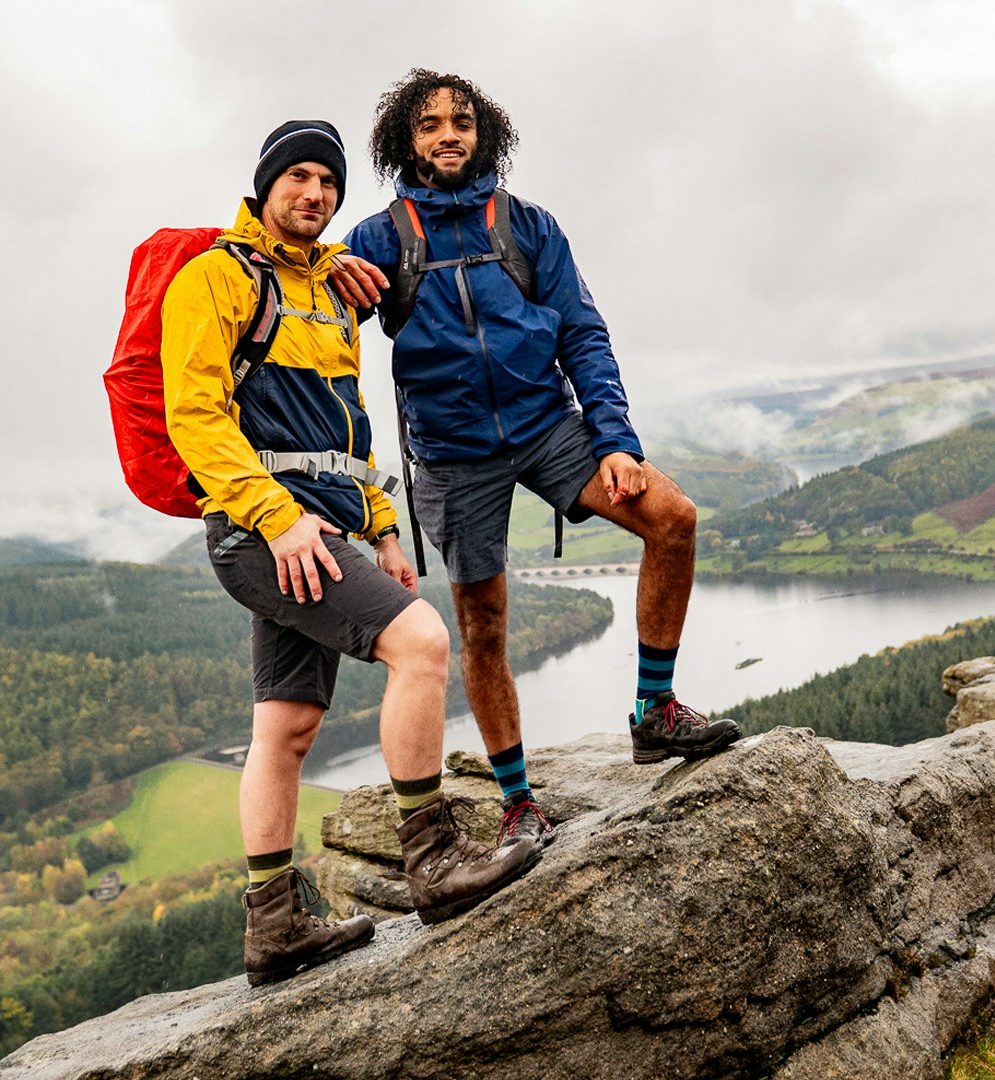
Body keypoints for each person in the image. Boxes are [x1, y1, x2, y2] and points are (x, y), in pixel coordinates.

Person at [161, 119, 539, 985]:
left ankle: (274, 929)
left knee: (287, 728)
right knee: (425, 645)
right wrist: (276, 518)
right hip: (267, 531)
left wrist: (381, 526)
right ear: (264, 187)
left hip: (325, 527)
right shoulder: (214, 281)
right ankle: (432, 863)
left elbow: (346, 432)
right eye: (297, 177)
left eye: (328, 183)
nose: (315, 194)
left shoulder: (329, 293)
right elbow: (197, 417)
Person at [332, 71, 741, 853]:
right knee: (483, 625)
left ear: (484, 132)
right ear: (405, 142)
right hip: (451, 458)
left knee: (673, 517)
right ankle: (519, 799)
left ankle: (654, 712)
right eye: (429, 125)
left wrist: (616, 441)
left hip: (549, 425)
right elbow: (327, 349)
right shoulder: (378, 241)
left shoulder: (528, 226)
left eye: (460, 121)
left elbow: (583, 333)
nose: (448, 134)